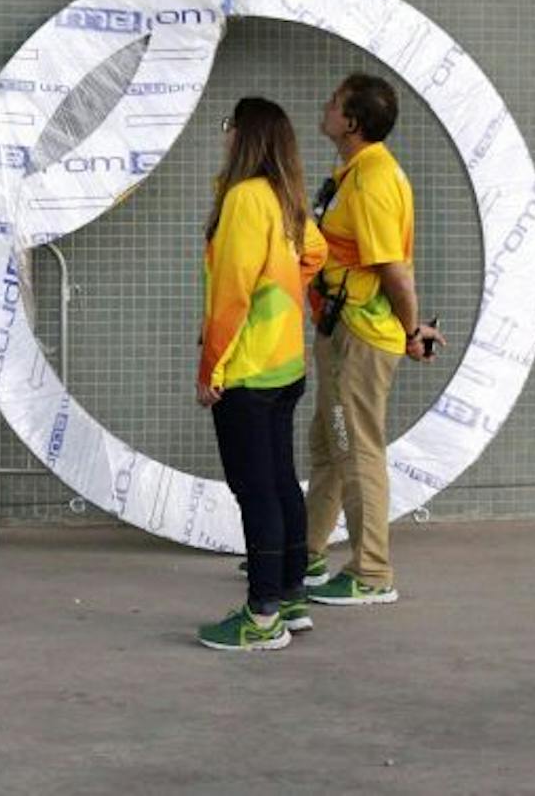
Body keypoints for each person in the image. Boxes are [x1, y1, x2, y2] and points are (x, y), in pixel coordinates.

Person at [305, 73, 445, 606]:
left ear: (352, 123)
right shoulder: (353, 172)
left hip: (361, 337)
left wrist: (411, 332)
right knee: (329, 443)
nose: (325, 107)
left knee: (356, 449)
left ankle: (371, 571)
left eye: (334, 103)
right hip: (340, 328)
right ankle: (310, 553)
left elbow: (394, 270)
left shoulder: (373, 182)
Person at [197, 97, 328, 652]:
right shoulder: (285, 196)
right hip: (285, 364)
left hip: (247, 371)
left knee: (256, 491)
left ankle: (262, 615)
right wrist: (285, 288)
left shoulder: (246, 199)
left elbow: (230, 295)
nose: (223, 135)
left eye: (228, 127)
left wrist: (211, 368)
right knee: (277, 482)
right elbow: (317, 253)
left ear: (243, 136)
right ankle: (291, 595)